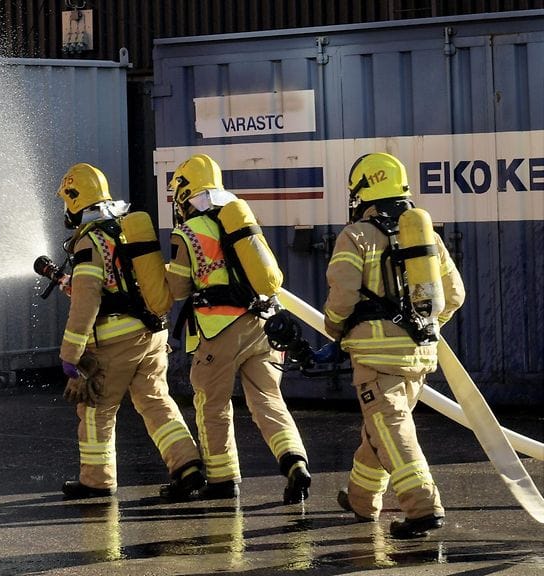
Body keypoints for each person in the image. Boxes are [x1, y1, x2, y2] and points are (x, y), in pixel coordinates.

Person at [325, 152, 465, 538]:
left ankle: (423, 508)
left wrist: (334, 329)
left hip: (376, 357)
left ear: (363, 192)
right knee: (380, 429)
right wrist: (424, 326)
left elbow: (343, 293)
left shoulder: (355, 236)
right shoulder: (426, 236)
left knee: (393, 430)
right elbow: (453, 296)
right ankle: (361, 499)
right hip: (419, 355)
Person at [53, 162, 204, 501]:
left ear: (77, 201)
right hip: (152, 335)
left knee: (96, 408)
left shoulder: (89, 242)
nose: (65, 211)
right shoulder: (123, 228)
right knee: (155, 402)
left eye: (67, 202)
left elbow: (88, 300)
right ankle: (187, 464)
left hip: (115, 341)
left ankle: (97, 480)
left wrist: (70, 356)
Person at [166, 153, 311, 504]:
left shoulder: (187, 232)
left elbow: (178, 290)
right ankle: (294, 461)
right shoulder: (240, 221)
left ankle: (222, 478)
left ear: (186, 193)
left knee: (212, 404)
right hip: (262, 324)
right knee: (268, 400)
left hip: (220, 328)